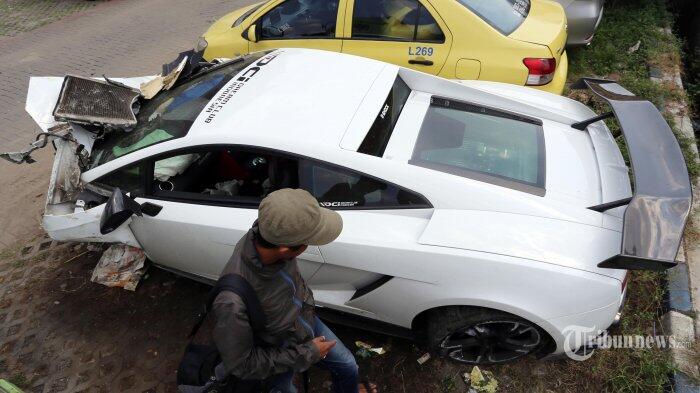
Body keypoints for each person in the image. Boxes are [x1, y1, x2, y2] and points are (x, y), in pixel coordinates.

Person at [212, 188, 378, 393]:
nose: (310, 245)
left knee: (348, 365)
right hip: (277, 352)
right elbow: (241, 364)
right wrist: (309, 353)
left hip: (305, 323)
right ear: (285, 249)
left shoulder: (270, 234)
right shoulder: (231, 302)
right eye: (309, 241)